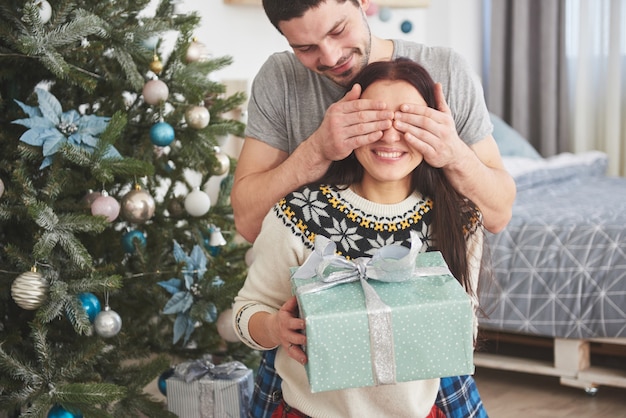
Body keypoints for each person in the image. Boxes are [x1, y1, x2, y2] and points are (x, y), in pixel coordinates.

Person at [231, 0, 512, 416]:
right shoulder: (281, 82)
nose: (328, 56)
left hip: (421, 384)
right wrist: (317, 150)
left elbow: (499, 213)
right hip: (313, 376)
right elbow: (249, 224)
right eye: (305, 47)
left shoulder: (447, 70)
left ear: (365, 3)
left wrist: (453, 154)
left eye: (338, 30)